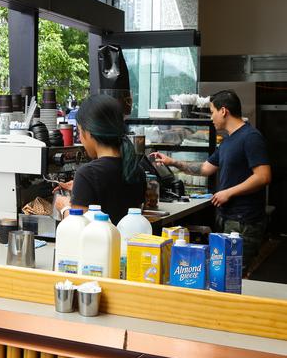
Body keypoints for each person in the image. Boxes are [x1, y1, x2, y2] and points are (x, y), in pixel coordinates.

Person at [152, 90, 271, 272]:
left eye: (212, 111)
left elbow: (263, 176)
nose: (211, 117)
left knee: (235, 274)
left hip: (244, 222)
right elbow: (206, 168)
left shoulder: (251, 137)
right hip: (227, 218)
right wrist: (172, 162)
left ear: (224, 111)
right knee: (223, 274)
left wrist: (228, 192)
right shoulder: (228, 141)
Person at [55, 94, 146, 224]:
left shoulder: (87, 174)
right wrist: (81, 189)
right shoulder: (137, 170)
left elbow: (80, 229)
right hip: (126, 243)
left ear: (89, 132)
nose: (80, 138)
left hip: (101, 245)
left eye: (79, 131)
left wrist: (64, 206)